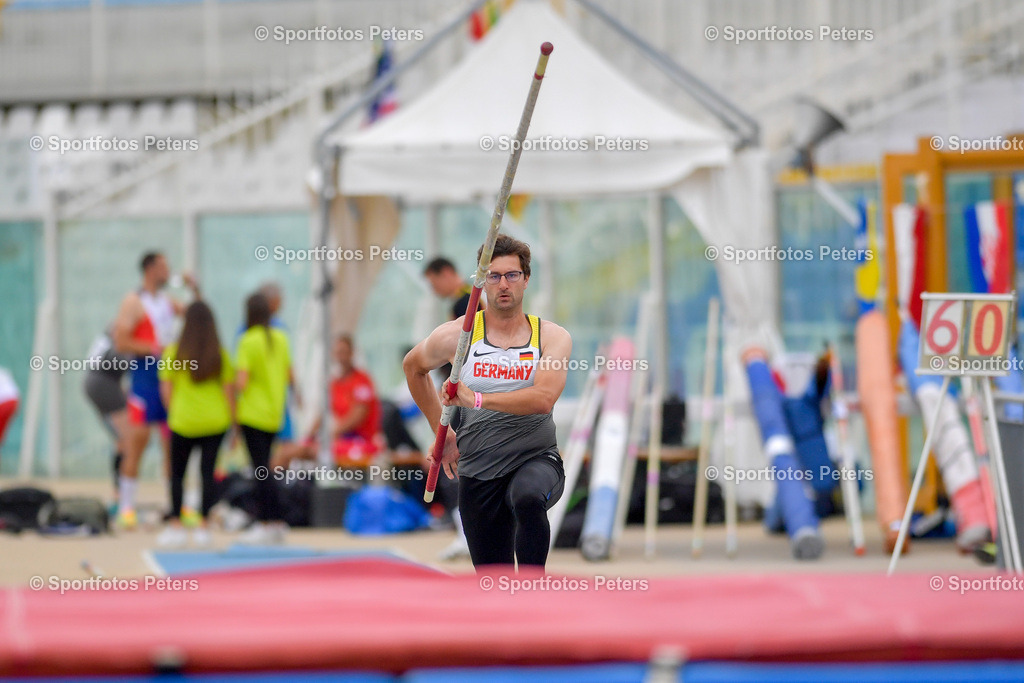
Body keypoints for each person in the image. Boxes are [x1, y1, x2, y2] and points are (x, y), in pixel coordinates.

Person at [404, 234, 571, 570]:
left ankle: (533, 589)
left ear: (526, 279)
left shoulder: (551, 337)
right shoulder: (458, 336)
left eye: (511, 275)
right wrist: (443, 431)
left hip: (536, 458)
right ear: (481, 282)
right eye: (493, 276)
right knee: (493, 581)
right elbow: (413, 367)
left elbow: (543, 398)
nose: (503, 284)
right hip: (478, 471)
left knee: (526, 498)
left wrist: (476, 398)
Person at [111, 251, 198, 529]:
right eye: (163, 266)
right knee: (137, 441)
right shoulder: (134, 302)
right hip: (144, 378)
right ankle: (126, 507)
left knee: (173, 444)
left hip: (167, 376)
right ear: (150, 269)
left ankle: (177, 504)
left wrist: (193, 288)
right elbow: (121, 340)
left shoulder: (166, 302)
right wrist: (150, 348)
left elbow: (198, 317)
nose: (168, 270)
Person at [156, 301, 235, 548]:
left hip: (183, 421)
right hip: (214, 422)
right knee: (207, 474)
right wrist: (234, 425)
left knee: (177, 474)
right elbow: (229, 393)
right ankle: (203, 525)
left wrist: (175, 413)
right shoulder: (219, 354)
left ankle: (177, 525)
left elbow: (166, 390)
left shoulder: (174, 352)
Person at [273, 335, 382, 469]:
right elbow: (322, 413)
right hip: (341, 439)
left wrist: (330, 434)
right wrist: (308, 436)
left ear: (352, 353)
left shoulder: (362, 381)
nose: (341, 356)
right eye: (338, 352)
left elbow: (358, 416)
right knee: (286, 451)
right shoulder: (335, 383)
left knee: (310, 451)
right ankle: (275, 485)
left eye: (344, 352)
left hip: (361, 441)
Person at [236, 292, 293, 545]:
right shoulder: (280, 338)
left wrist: (230, 397)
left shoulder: (248, 340)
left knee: (259, 470)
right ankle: (277, 521)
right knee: (266, 469)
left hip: (252, 413)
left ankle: (265, 522)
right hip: (273, 413)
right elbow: (290, 374)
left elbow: (242, 381)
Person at [83, 325, 132, 498]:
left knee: (122, 441)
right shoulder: (122, 331)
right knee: (128, 440)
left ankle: (119, 491)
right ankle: (122, 494)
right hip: (102, 384)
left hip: (93, 383)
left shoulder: (112, 331)